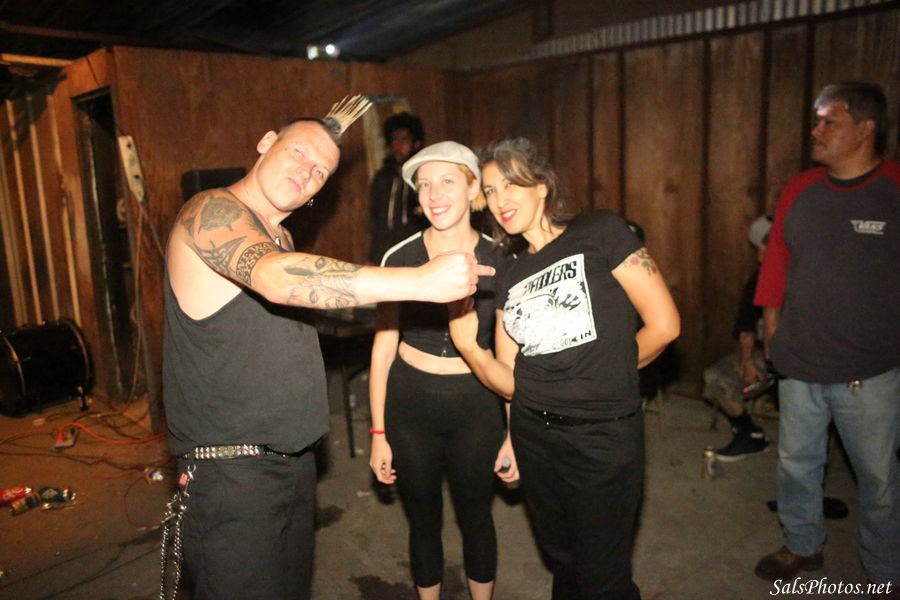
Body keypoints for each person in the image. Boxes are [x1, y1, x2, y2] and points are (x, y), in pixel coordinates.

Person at [161, 97, 496, 600]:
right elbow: (276, 279)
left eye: (321, 171)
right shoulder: (210, 210)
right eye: (297, 153)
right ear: (266, 143)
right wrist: (419, 281)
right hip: (233, 473)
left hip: (291, 466)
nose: (307, 171)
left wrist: (326, 132)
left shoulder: (280, 236)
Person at [449, 138, 680, 600]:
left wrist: (604, 374)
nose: (499, 199)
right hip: (534, 436)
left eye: (511, 184)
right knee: (564, 560)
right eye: (490, 191)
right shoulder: (509, 273)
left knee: (602, 576)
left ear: (542, 185)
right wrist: (470, 349)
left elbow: (665, 325)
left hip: (600, 436)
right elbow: (510, 381)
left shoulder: (601, 231)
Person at [753, 81, 900, 587]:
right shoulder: (801, 189)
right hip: (801, 361)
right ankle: (803, 544)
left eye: (828, 122)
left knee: (878, 479)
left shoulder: (893, 189)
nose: (815, 131)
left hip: (870, 371)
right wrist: (771, 326)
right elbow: (777, 261)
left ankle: (885, 569)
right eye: (816, 121)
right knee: (796, 464)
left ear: (865, 129)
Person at [368, 141, 516, 600]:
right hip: (410, 404)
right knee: (423, 520)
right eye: (425, 184)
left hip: (477, 405)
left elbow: (509, 357)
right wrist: (378, 434)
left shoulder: (502, 258)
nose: (434, 194)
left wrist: (514, 434)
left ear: (473, 190)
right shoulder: (400, 257)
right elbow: (383, 346)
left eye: (447, 181)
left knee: (476, 518)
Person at [703, 215, 771, 461]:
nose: (762, 252)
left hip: (802, 356)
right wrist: (747, 360)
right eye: (761, 246)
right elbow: (746, 326)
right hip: (766, 354)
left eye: (767, 244)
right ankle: (749, 433)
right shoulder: (759, 279)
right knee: (716, 379)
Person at [369, 111, 428, 263]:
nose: (398, 145)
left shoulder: (423, 178)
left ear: (416, 143)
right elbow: (375, 221)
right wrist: (372, 257)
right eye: (394, 139)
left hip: (417, 256)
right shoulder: (382, 178)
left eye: (404, 139)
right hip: (384, 254)